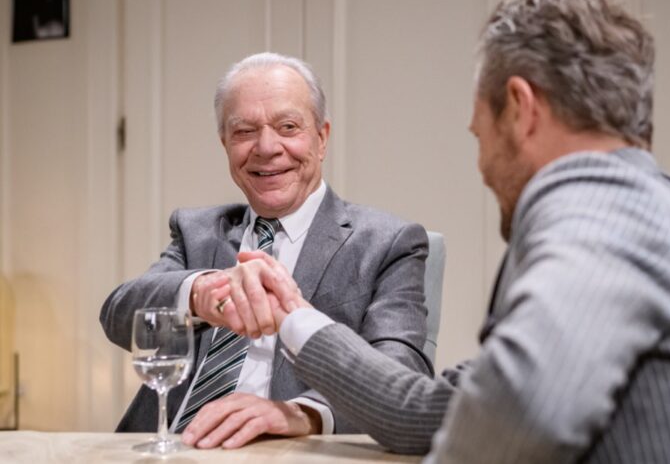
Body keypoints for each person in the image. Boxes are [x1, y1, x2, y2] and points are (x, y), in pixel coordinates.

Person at [238, 0, 670, 463]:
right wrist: (296, 317)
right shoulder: (652, 212)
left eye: (479, 134)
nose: (484, 167)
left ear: (520, 108)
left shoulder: (595, 210)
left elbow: (518, 418)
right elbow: (427, 413)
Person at [99, 52, 432, 446]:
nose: (267, 147)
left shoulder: (387, 243)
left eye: (288, 127)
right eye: (244, 132)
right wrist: (204, 292)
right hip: (170, 447)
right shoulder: (197, 231)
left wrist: (302, 412)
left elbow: (402, 374)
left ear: (322, 138)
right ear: (225, 143)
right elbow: (120, 315)